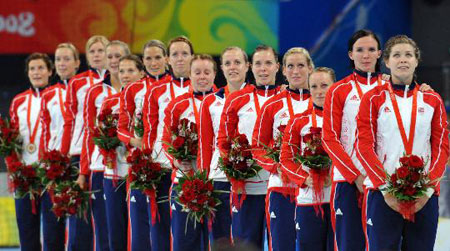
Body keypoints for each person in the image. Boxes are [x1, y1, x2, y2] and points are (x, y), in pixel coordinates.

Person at [355, 35, 449, 250]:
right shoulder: (373, 98)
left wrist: (427, 190)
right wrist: (386, 189)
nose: (403, 60)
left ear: (417, 61)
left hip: (423, 196)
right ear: (386, 62)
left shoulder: (432, 100)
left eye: (408, 55)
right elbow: (364, 146)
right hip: (382, 195)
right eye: (396, 55)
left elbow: (442, 147)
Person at [217, 45, 281, 249]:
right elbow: (223, 141)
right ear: (251, 67)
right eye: (259, 64)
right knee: (245, 245)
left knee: (280, 244)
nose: (263, 69)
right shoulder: (237, 99)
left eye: (268, 63)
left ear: (277, 67)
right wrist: (235, 166)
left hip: (281, 185)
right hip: (247, 187)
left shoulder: (287, 98)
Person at [251, 47, 314, 251]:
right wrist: (276, 167)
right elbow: (257, 146)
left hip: (315, 185)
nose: (296, 71)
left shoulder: (322, 101)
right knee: (281, 245)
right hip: (281, 186)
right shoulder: (272, 105)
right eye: (290, 66)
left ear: (310, 68)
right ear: (283, 71)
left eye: (301, 66)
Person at [117, 39, 171, 251]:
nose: (154, 62)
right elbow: (121, 128)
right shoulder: (133, 89)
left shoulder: (177, 86)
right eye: (148, 58)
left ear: (166, 59)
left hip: (170, 165)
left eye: (158, 57)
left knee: (167, 222)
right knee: (140, 223)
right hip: (142, 166)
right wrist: (134, 141)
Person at [141, 35, 194, 251]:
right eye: (175, 54)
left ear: (192, 57)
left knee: (189, 228)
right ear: (168, 60)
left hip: (193, 170)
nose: (180, 59)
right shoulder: (156, 91)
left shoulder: (204, 88)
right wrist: (146, 165)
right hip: (161, 168)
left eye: (185, 54)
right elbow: (149, 131)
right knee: (161, 226)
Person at [8, 53, 65, 250]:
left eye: (41, 68)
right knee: (26, 230)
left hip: (52, 174)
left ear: (50, 71)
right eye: (32, 69)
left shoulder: (60, 96)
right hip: (25, 174)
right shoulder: (18, 101)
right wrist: (14, 167)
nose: (36, 72)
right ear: (27, 73)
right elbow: (11, 139)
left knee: (53, 233)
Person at [78, 40, 131, 251]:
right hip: (103, 167)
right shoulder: (94, 92)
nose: (114, 61)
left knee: (134, 229)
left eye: (118, 56)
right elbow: (89, 134)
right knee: (105, 230)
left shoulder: (141, 90)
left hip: (138, 168)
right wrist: (84, 171)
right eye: (110, 57)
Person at [162, 54, 216, 251]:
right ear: (190, 75)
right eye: (197, 72)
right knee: (184, 242)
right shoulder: (177, 104)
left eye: (207, 72)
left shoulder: (222, 102)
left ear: (214, 75)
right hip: (184, 182)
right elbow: (166, 140)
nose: (202, 77)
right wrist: (176, 161)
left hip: (214, 182)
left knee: (215, 242)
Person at [61, 35, 109, 250]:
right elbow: (69, 121)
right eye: (92, 51)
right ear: (87, 56)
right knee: (78, 215)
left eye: (101, 50)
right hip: (80, 153)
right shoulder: (77, 82)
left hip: (107, 153)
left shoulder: (118, 79)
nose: (97, 55)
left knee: (105, 213)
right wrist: (64, 155)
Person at [280, 67, 336, 251]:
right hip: (308, 199)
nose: (319, 91)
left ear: (334, 86)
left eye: (324, 85)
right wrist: (304, 179)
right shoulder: (298, 121)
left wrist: (334, 175)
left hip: (339, 198)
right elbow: (286, 158)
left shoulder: (343, 118)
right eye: (314, 86)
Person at [198, 46, 249, 246]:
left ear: (247, 66)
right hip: (218, 178)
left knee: (246, 237)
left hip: (250, 178)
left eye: (237, 62)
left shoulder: (258, 98)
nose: (233, 67)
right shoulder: (210, 102)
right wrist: (203, 180)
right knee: (220, 238)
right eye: (227, 63)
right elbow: (205, 144)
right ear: (221, 68)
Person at [101, 54, 145, 251]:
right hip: (115, 171)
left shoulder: (148, 98)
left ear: (142, 73)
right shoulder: (109, 102)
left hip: (143, 172)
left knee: (139, 231)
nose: (125, 75)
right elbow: (99, 135)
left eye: (131, 70)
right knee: (116, 230)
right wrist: (108, 144)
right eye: (122, 71)